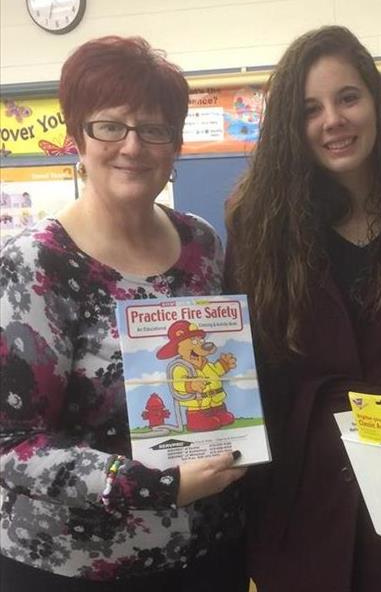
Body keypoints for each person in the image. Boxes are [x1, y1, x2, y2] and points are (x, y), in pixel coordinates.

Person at [224, 25, 381, 592]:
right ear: (292, 125)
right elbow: (248, 362)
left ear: (375, 102)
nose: (333, 120)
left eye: (348, 98)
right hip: (301, 470)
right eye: (311, 108)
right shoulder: (259, 218)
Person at [0, 36, 248, 592]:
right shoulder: (37, 264)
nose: (132, 146)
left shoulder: (201, 243)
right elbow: (12, 443)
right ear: (77, 140)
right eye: (110, 125)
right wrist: (157, 487)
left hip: (207, 550)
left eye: (154, 128)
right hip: (76, 564)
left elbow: (226, 371)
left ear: (174, 144)